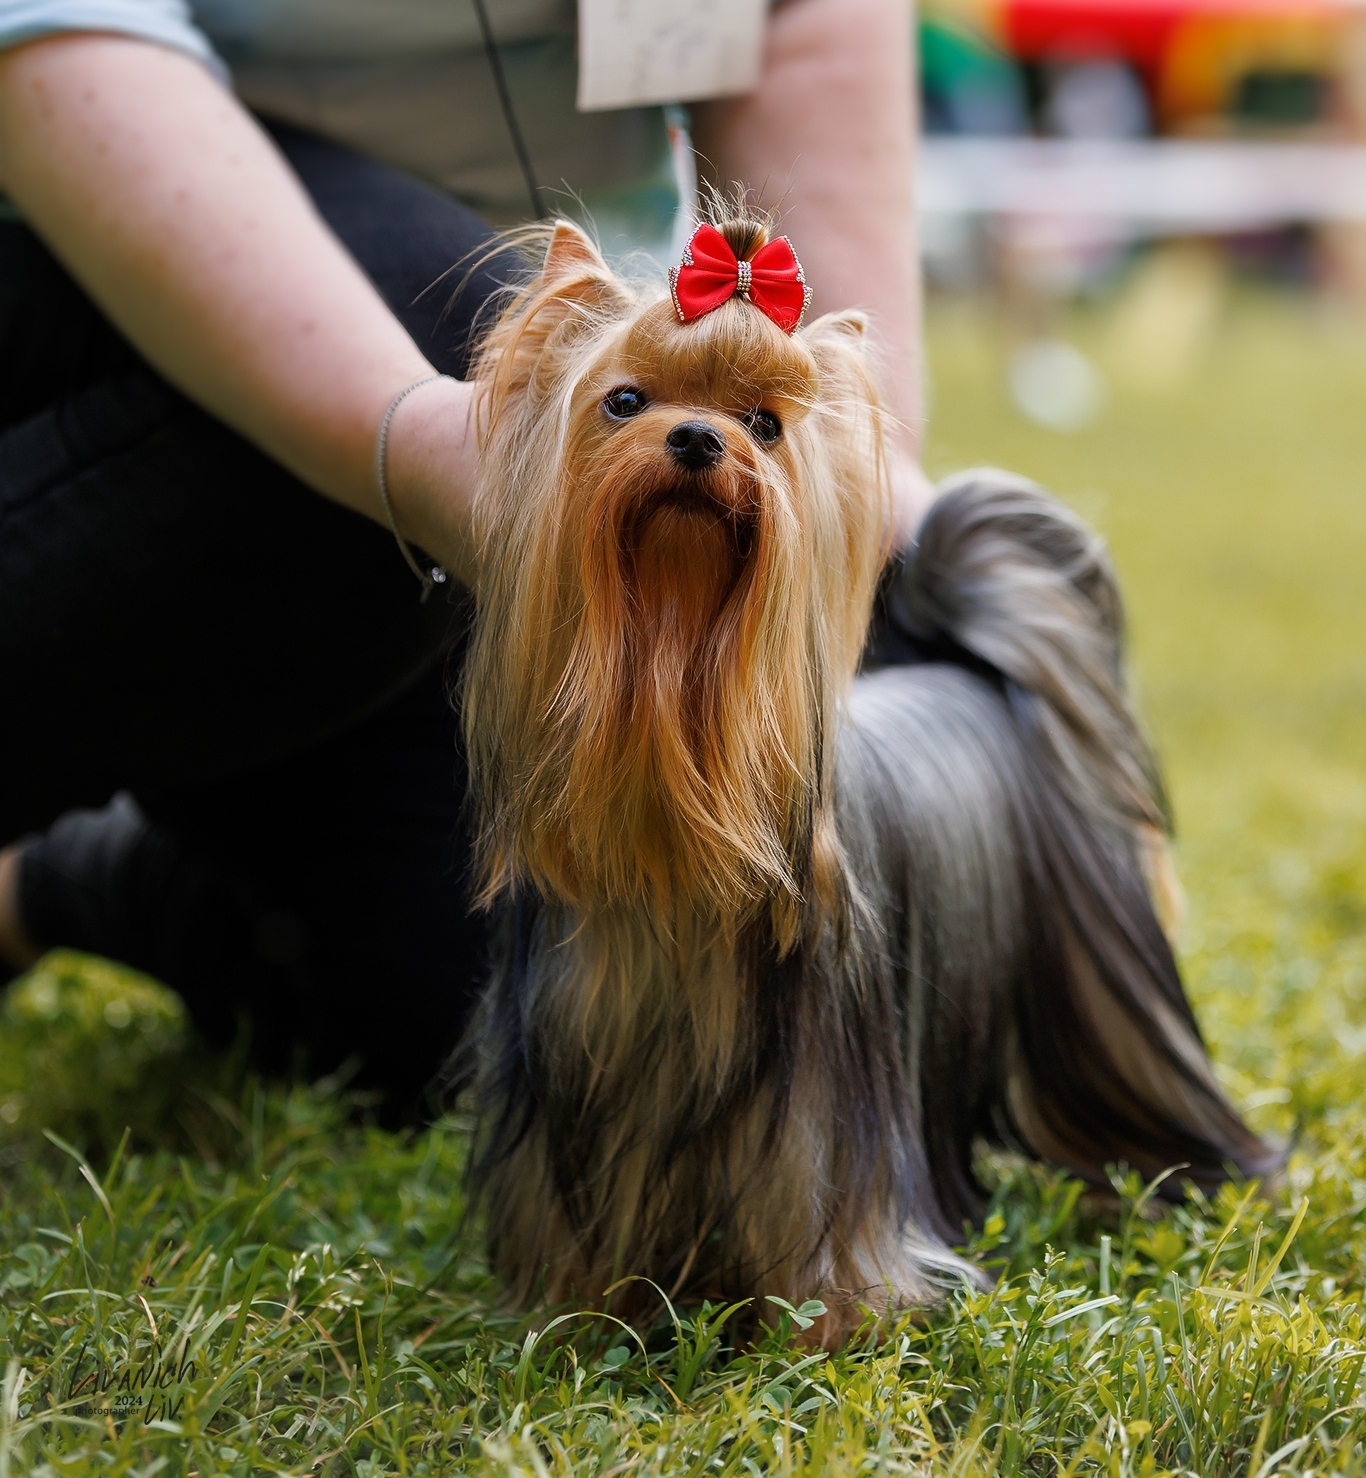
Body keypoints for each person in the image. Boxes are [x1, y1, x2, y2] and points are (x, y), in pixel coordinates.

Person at [0, 0, 928, 1115]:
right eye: (643, 405)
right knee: (454, 316)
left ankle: (43, 883)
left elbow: (806, 23)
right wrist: (413, 436)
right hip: (98, 260)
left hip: (457, 469)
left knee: (466, 997)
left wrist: (868, 481)